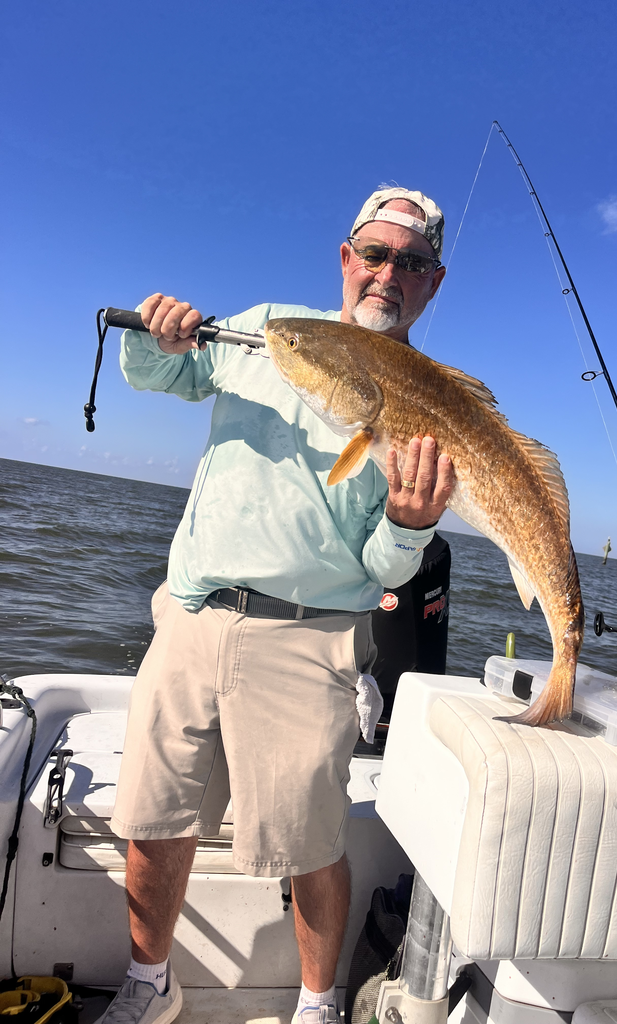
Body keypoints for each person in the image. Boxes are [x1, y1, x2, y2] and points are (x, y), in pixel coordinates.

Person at [99, 187, 454, 1024]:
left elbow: (381, 563)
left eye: (410, 263)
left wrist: (409, 526)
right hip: (193, 616)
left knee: (312, 843)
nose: (387, 273)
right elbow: (170, 374)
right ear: (345, 259)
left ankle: (317, 1003)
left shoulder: (423, 398)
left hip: (312, 637)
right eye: (373, 253)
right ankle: (148, 985)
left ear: (432, 283)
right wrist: (158, 336)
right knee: (153, 818)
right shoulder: (270, 326)